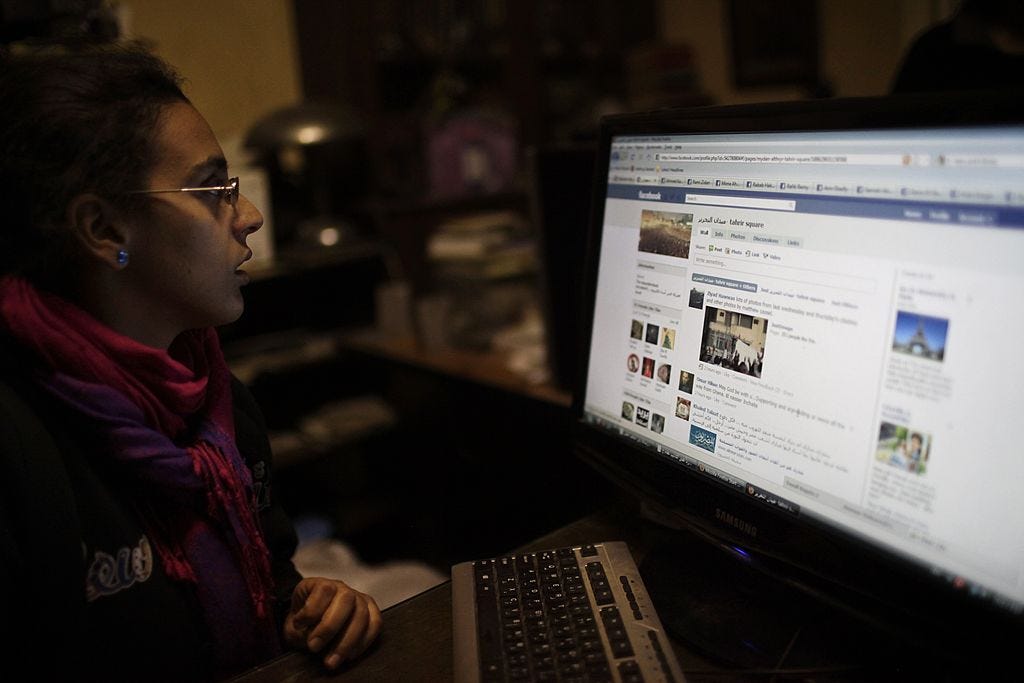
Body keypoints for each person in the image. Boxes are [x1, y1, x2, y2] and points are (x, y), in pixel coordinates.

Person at [0, 43, 381, 681]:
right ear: (105, 230)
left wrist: (303, 609)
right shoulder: (19, 446)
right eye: (213, 189)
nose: (252, 217)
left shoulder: (214, 402)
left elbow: (272, 579)